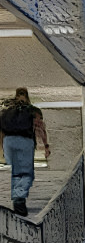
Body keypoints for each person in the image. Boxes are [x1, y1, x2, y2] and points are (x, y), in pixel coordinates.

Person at [0, 88, 50, 217]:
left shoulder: (7, 110)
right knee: (26, 173)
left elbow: (1, 130)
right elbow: (40, 128)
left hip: (9, 142)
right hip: (25, 141)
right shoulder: (32, 110)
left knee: (16, 171)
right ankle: (19, 199)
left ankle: (17, 197)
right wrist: (46, 145)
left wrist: (2, 146)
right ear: (27, 97)